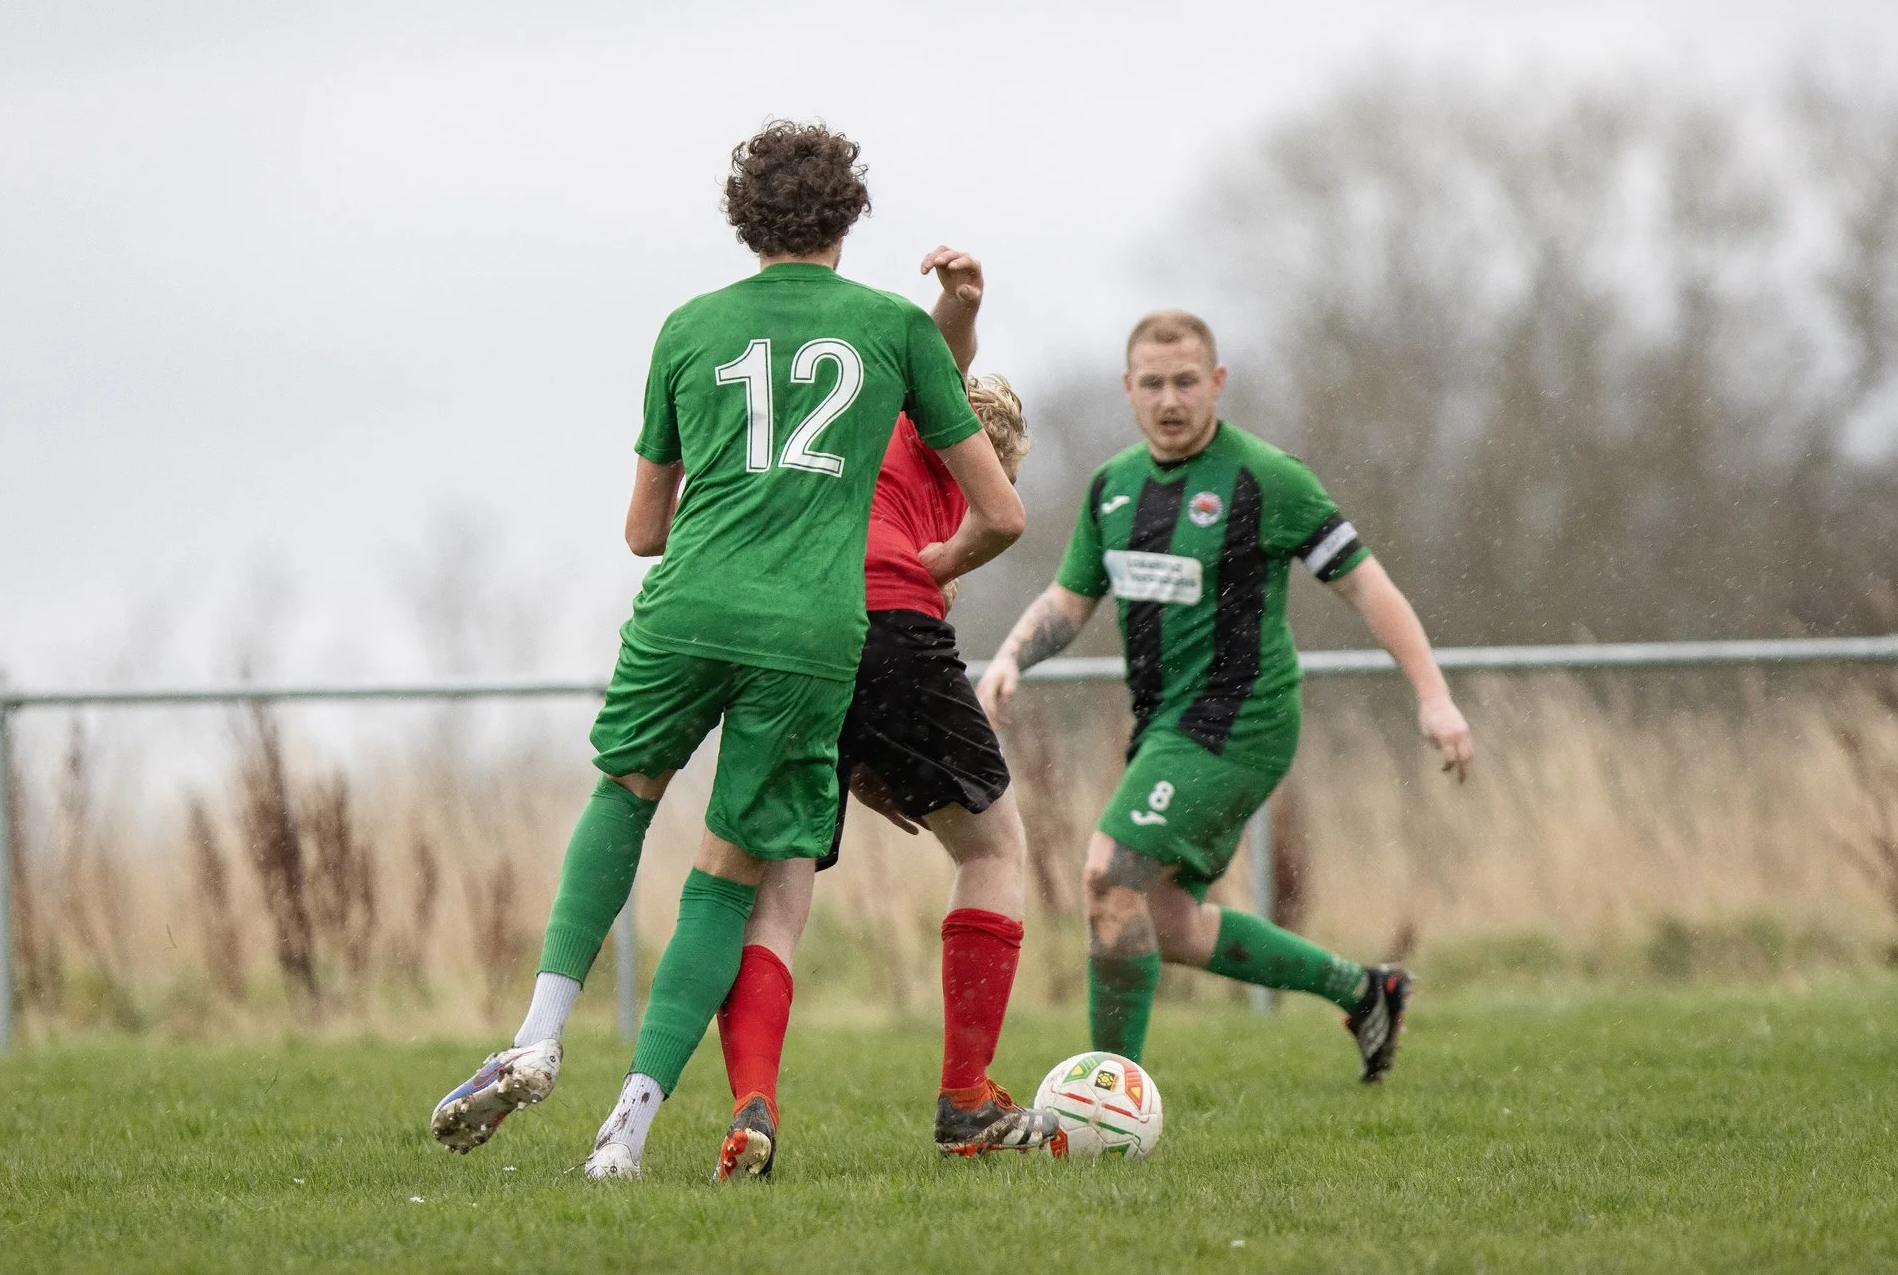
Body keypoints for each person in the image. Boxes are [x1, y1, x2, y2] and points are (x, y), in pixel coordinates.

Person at [429, 121, 1025, 1178]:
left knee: (623, 793)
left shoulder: (687, 328)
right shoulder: (892, 326)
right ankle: (629, 1128)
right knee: (727, 868)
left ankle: (536, 1032)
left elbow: (643, 530)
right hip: (808, 630)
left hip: (689, 605)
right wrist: (929, 564)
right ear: (848, 219)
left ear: (743, 220)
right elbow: (1000, 515)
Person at [979, 311, 1471, 1081]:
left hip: (1242, 722)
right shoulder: (1114, 488)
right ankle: (1365, 991)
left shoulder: (1266, 478)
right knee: (1168, 924)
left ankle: (1107, 1096)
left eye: (1185, 382)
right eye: (1153, 384)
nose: (1169, 400)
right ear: (1128, 388)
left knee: (1109, 877)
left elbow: (1368, 587)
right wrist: (1011, 657)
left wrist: (1433, 696)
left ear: (1217, 383)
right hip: (1166, 726)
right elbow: (1072, 600)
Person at [708, 346, 1059, 1181]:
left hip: (787, 631)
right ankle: (965, 1097)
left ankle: (752, 1105)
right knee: (993, 848)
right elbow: (983, 523)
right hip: (887, 622)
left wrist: (859, 763)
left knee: (779, 886)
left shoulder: (868, 430)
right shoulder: (958, 466)